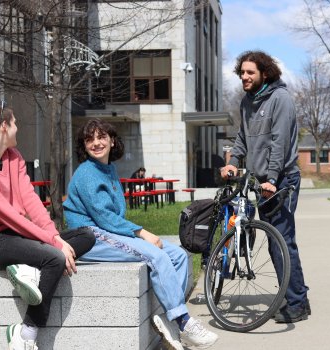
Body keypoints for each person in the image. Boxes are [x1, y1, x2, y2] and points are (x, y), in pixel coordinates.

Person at [63, 119, 218, 350]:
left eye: (101, 137)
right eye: (89, 139)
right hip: (90, 237)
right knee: (156, 256)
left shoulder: (108, 169)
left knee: (178, 255)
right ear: (83, 146)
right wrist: (142, 232)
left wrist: (138, 234)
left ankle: (170, 318)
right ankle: (183, 321)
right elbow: (104, 217)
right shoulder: (87, 173)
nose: (96, 143)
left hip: (108, 232)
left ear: (112, 140)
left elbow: (114, 218)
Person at [0, 103, 95, 350]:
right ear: (4, 126)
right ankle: (25, 334)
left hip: (13, 236)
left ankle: (30, 268)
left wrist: (54, 235)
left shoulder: (13, 157)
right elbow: (11, 217)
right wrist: (54, 245)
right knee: (54, 258)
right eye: (15, 122)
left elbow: (30, 201)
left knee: (86, 236)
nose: (18, 127)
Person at [220, 50, 310, 323]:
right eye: (242, 73)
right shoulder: (248, 102)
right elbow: (242, 138)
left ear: (265, 74)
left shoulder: (280, 99)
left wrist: (271, 178)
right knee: (275, 242)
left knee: (282, 241)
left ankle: (297, 303)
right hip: (263, 183)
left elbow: (279, 143)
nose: (244, 77)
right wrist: (233, 161)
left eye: (250, 73)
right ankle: (296, 297)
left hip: (281, 179)